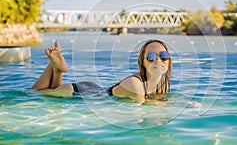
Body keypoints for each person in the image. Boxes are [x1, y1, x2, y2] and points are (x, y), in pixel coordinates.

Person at [31, 39, 172, 104]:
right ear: (143, 62)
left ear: (169, 61)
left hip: (92, 89)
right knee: (34, 93)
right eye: (151, 57)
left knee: (52, 91)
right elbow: (148, 108)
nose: (158, 60)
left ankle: (57, 67)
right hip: (78, 92)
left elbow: (156, 101)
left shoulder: (157, 86)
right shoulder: (136, 85)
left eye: (164, 56)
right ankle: (55, 66)